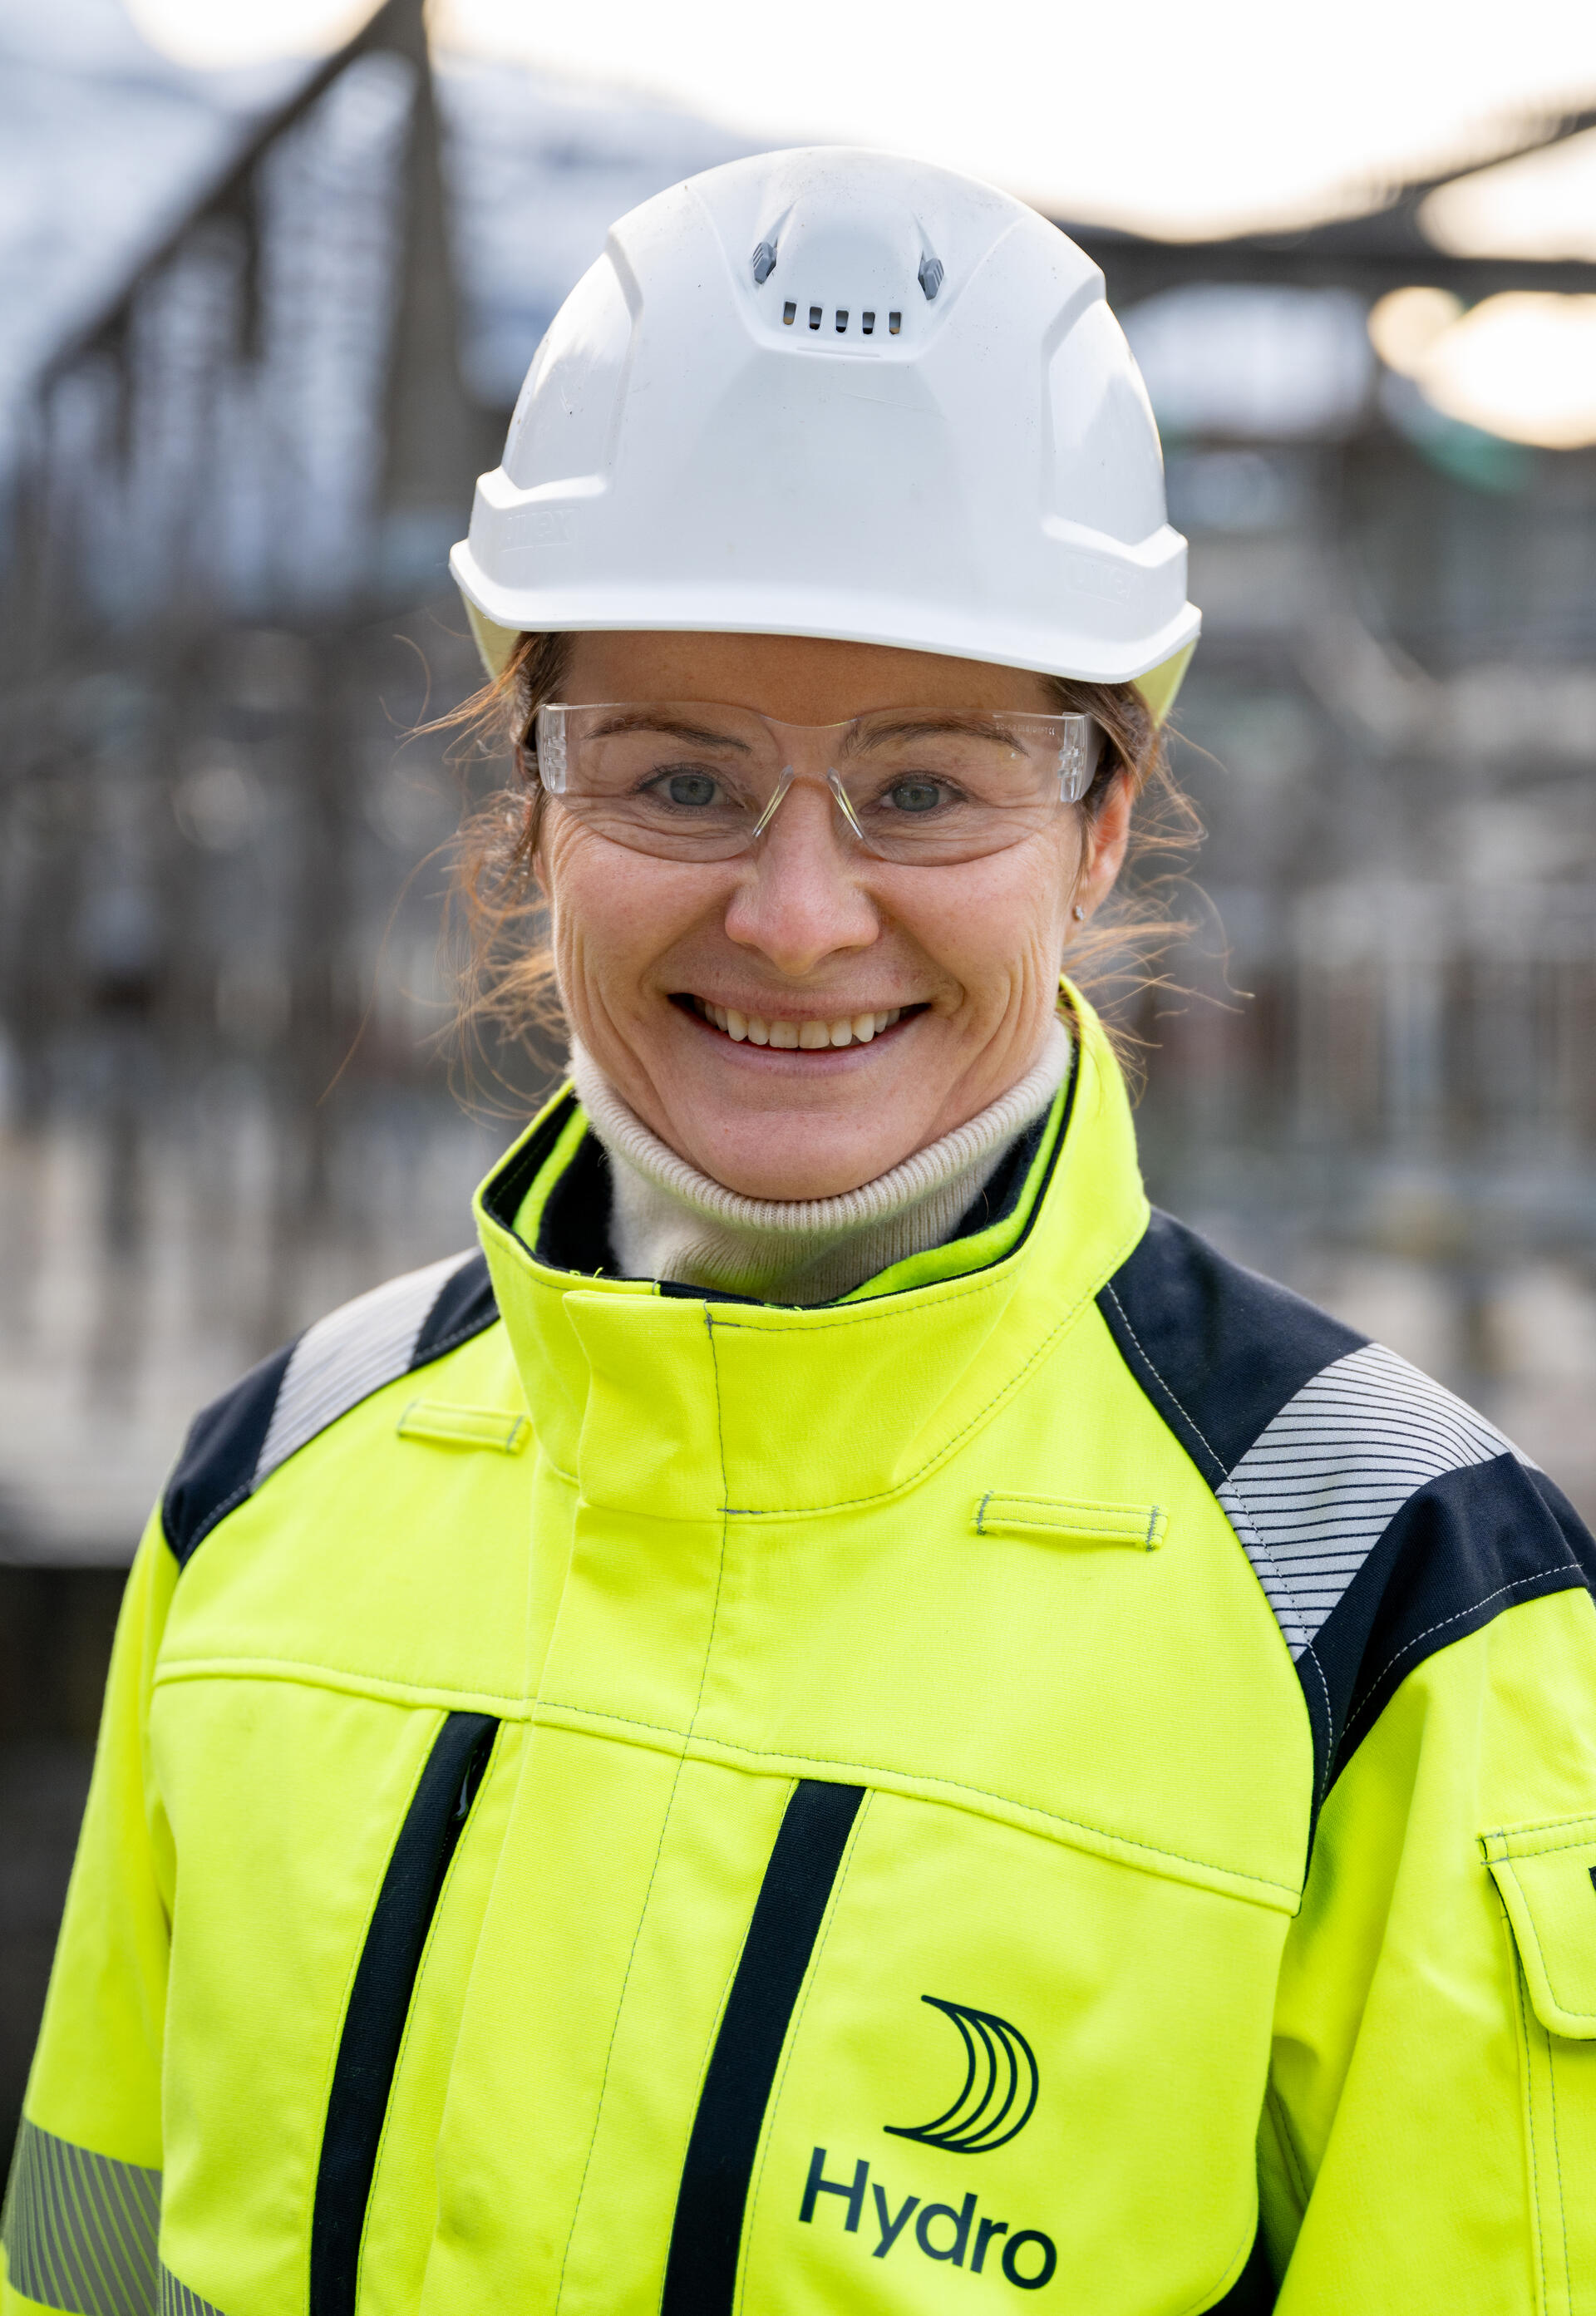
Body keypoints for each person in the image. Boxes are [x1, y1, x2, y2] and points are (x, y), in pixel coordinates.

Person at [4, 146, 1594, 2316]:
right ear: (533, 799)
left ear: (1098, 822)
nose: (796, 913)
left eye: (925, 787)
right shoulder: (270, 1492)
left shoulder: (1388, 1605)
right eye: (679, 779)